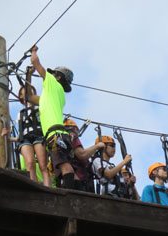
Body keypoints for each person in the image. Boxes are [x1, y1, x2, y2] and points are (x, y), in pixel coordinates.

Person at [26, 45, 76, 189]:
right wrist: (29, 76)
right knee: (60, 167)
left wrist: (33, 51)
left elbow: (36, 62)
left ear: (58, 77)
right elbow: (29, 97)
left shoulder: (53, 83)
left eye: (54, 74)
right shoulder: (51, 96)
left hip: (55, 134)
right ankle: (66, 191)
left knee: (65, 167)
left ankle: (68, 195)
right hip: (58, 134)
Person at [6, 72, 51, 186]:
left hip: (39, 137)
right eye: (22, 93)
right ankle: (34, 187)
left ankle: (47, 188)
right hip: (25, 140)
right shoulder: (20, 114)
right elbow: (21, 135)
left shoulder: (41, 108)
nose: (25, 94)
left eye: (27, 92)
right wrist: (7, 136)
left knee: (42, 165)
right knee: (30, 164)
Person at [63, 118, 104, 192]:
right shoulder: (72, 137)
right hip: (79, 180)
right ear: (74, 129)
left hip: (68, 179)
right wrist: (97, 146)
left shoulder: (61, 140)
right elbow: (82, 155)